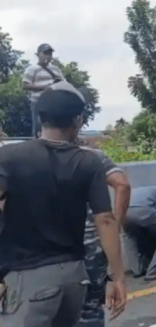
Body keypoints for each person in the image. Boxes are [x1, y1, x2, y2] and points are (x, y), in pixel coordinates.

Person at [0, 82, 127, 325]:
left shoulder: (10, 157)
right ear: (77, 120)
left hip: (28, 280)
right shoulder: (90, 162)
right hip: (74, 277)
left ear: (40, 118)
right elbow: (106, 220)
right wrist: (117, 277)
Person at [79, 147, 131, 327]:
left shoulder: (20, 158)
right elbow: (122, 184)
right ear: (77, 121)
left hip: (41, 257)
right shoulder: (91, 156)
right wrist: (117, 275)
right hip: (90, 248)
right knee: (90, 311)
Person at [22, 42, 64, 136]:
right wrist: (46, 87)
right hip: (38, 102)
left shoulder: (55, 69)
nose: (48, 56)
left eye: (50, 54)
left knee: (54, 126)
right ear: (38, 54)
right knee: (38, 127)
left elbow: (63, 83)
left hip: (53, 102)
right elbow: (26, 85)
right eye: (45, 53)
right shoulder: (32, 69)